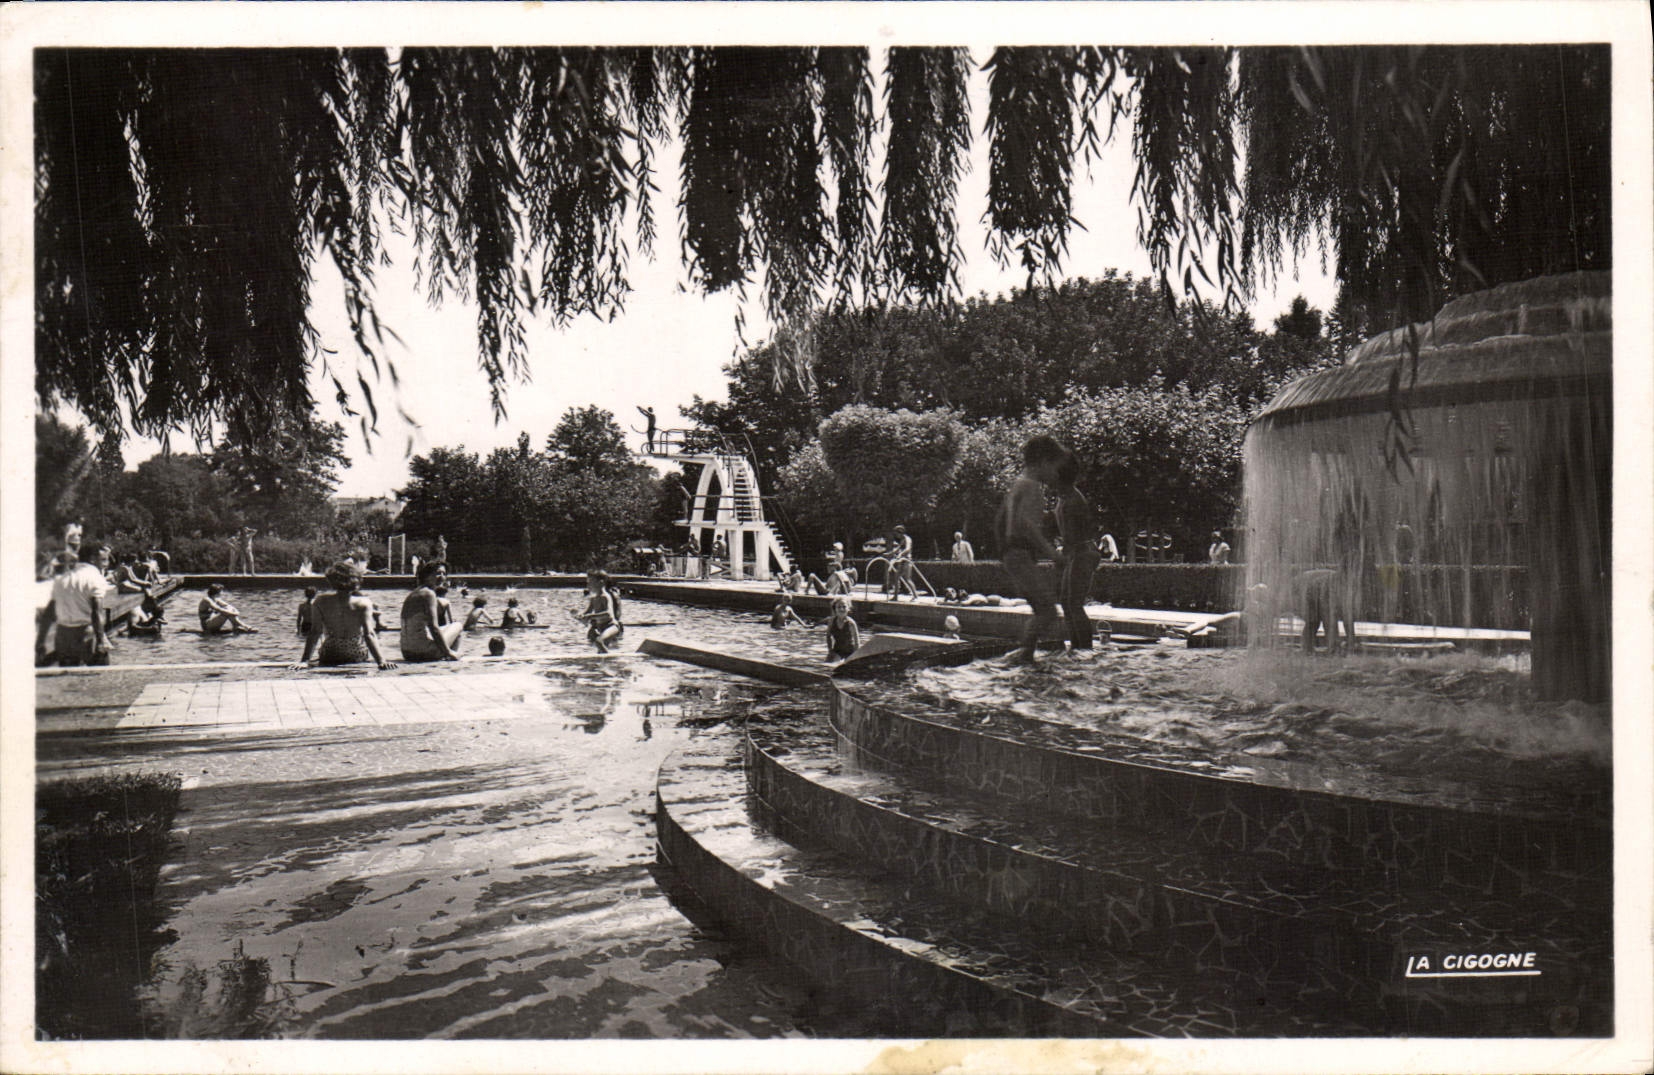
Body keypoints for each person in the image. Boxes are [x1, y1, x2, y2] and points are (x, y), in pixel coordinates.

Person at [997, 435, 1068, 664]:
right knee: (1048, 611)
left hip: (1014, 554)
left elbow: (1004, 522)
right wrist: (1053, 554)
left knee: (1042, 609)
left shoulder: (1020, 483)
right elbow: (1025, 524)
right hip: (1019, 554)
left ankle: (1024, 657)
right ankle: (1019, 658)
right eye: (1056, 467)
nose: (1056, 474)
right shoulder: (1031, 485)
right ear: (1044, 462)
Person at [293, 560, 395, 669]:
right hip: (356, 654)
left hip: (330, 653)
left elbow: (315, 633)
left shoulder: (321, 601)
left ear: (331, 581)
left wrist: (305, 661)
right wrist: (381, 661)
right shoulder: (363, 603)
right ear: (356, 582)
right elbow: (369, 634)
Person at [1052, 454, 1102, 650]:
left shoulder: (1073, 500)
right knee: (1066, 602)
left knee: (1073, 603)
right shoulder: (1064, 498)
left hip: (1082, 552)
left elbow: (1072, 535)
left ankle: (1084, 649)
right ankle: (1076, 647)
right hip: (1076, 552)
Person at [43, 544, 113, 666]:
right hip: (86, 633)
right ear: (92, 559)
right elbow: (97, 612)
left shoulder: (61, 578)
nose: (105, 564)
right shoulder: (96, 578)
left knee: (68, 678)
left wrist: (40, 641)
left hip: (63, 635)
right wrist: (101, 640)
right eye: (103, 559)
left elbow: (49, 611)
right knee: (100, 676)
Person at [400, 560, 463, 661]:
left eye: (444, 573)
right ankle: (449, 656)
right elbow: (434, 628)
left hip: (406, 652)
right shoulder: (429, 594)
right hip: (423, 653)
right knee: (458, 625)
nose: (441, 577)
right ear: (427, 575)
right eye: (438, 573)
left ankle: (446, 654)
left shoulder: (415, 593)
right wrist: (448, 651)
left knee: (447, 628)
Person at [576, 571, 623, 652]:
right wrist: (581, 616)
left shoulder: (605, 596)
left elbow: (608, 614)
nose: (588, 585)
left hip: (611, 626)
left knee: (598, 642)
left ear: (600, 583)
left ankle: (610, 659)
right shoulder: (594, 598)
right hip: (601, 627)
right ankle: (608, 662)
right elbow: (588, 611)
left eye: (591, 582)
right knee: (600, 649)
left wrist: (590, 616)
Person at [825, 596, 860, 661]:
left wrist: (855, 656)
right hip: (837, 650)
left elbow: (857, 642)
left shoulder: (851, 623)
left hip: (850, 652)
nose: (841, 609)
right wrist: (830, 650)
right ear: (835, 609)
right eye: (839, 607)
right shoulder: (831, 621)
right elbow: (828, 636)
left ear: (848, 608)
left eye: (844, 607)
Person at [888, 525, 918, 600]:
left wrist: (900, 554)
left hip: (907, 560)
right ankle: (895, 596)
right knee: (896, 577)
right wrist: (889, 554)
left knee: (907, 579)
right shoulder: (902, 539)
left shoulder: (907, 539)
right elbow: (897, 549)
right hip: (902, 560)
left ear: (900, 532)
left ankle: (915, 595)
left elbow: (907, 549)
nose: (896, 536)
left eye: (896, 534)